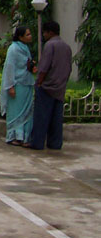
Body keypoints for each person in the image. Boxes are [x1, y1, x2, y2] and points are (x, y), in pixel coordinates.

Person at [30, 21, 72, 150]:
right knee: (56, 118)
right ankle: (55, 143)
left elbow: (44, 68)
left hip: (47, 87)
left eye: (44, 32)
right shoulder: (66, 47)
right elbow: (68, 67)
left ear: (50, 32)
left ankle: (37, 143)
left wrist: (39, 83)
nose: (43, 35)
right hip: (60, 87)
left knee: (41, 117)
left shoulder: (50, 45)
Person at [0, 26, 35, 146]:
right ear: (20, 37)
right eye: (28, 34)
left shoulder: (25, 48)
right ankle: (14, 136)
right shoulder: (13, 49)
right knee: (16, 112)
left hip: (27, 83)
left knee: (27, 112)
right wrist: (10, 86)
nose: (30, 36)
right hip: (17, 85)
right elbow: (9, 67)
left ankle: (25, 137)